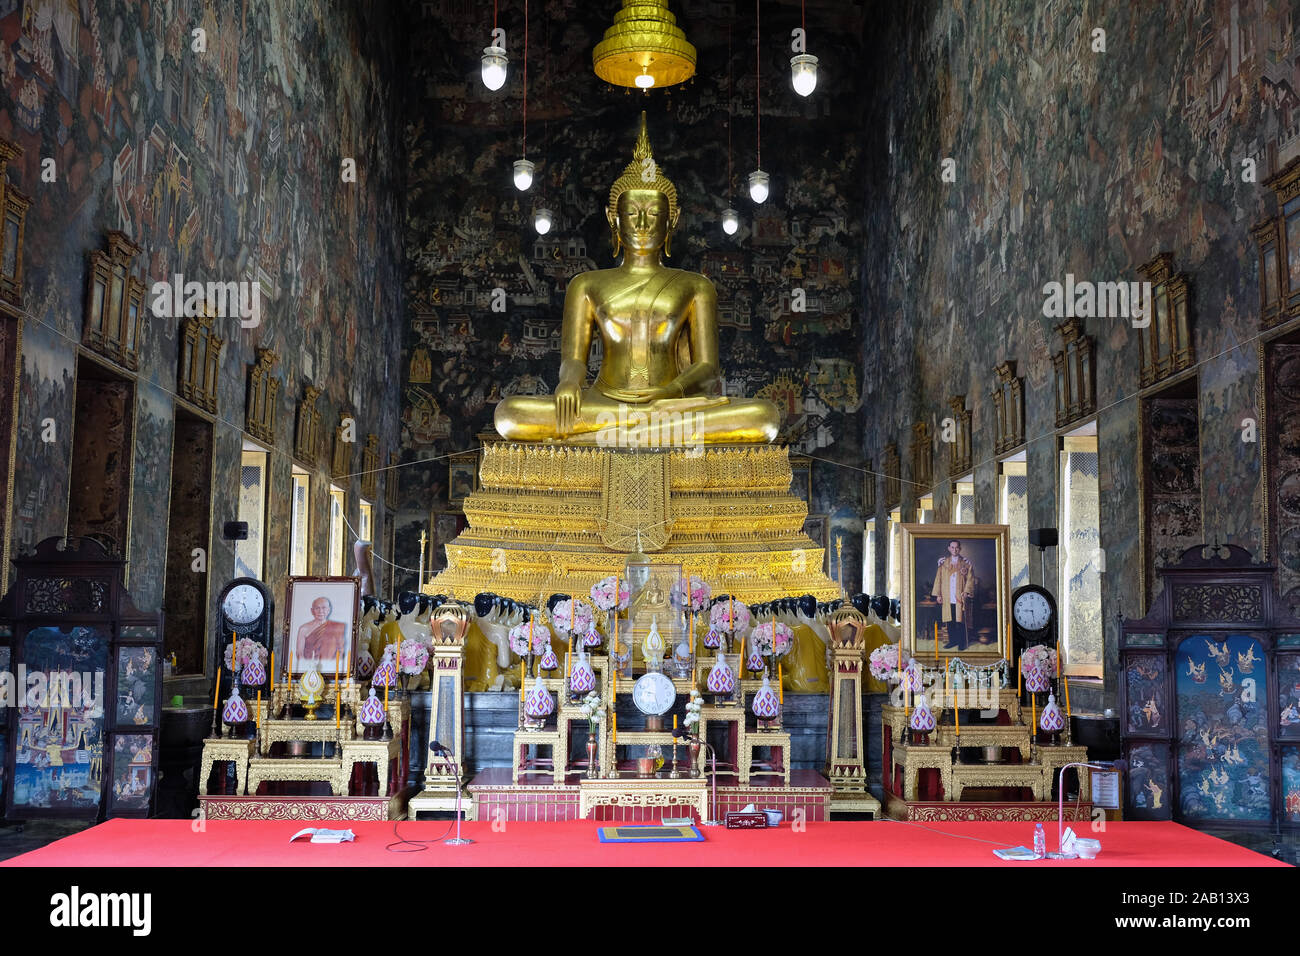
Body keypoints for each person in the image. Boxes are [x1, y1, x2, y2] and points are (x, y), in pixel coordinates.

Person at [931, 540, 976, 651]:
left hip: (959, 596)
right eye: (952, 547)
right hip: (947, 596)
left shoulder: (965, 563)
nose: (954, 550)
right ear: (949, 548)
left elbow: (970, 579)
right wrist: (938, 595)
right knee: (950, 620)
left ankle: (962, 643)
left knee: (960, 620)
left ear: (960, 549)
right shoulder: (943, 563)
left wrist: (966, 592)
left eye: (957, 548)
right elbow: (938, 579)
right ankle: (953, 641)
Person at [295, 596, 347, 670]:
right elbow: (299, 653)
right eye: (317, 608)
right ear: (312, 611)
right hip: (308, 669)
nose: (320, 611)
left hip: (330, 668)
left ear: (328, 610)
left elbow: (341, 651)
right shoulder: (304, 629)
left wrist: (331, 668)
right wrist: (306, 670)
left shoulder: (337, 627)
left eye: (324, 608)